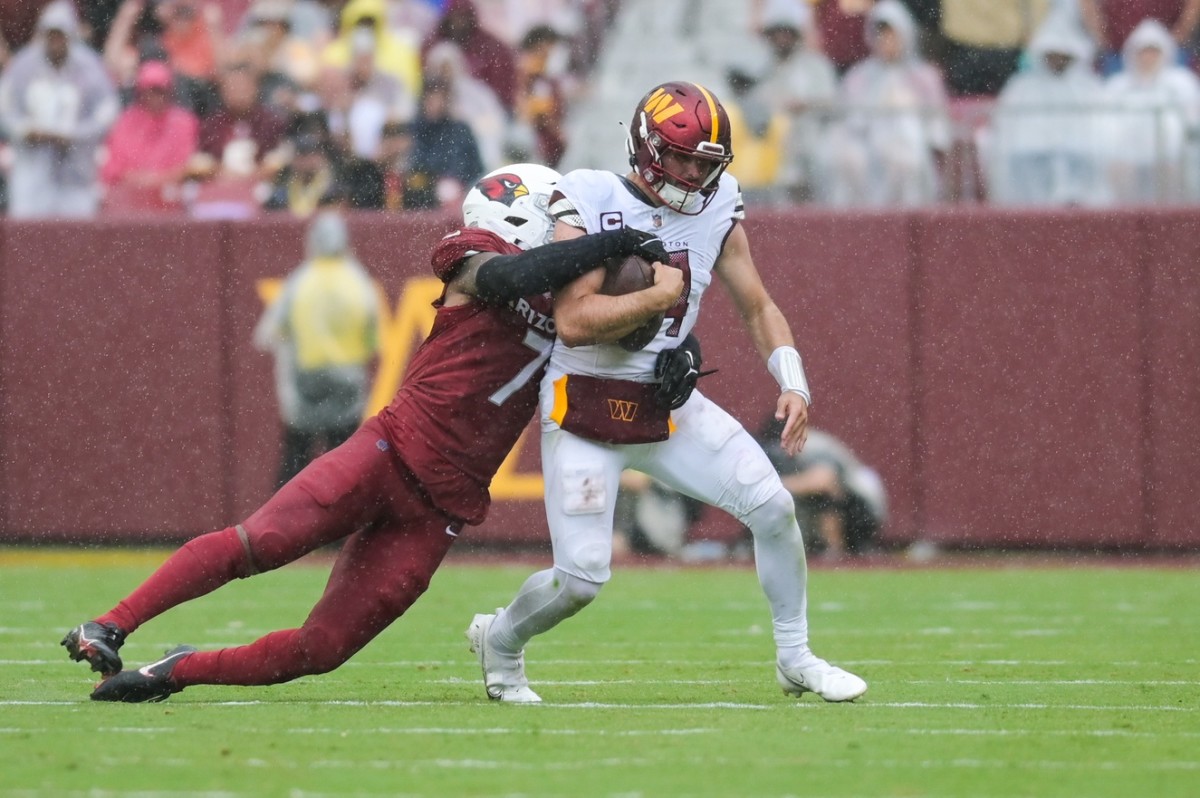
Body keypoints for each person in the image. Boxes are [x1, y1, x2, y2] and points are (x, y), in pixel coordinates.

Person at [61, 162, 696, 702]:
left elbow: (626, 337)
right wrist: (614, 244)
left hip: (444, 506)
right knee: (263, 543)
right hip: (389, 452)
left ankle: (179, 669)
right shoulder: (472, 258)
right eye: (562, 219)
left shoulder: (572, 298)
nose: (573, 228)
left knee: (323, 649)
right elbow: (511, 280)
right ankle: (112, 622)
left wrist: (679, 351)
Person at [466, 81, 868, 705]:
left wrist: (793, 381)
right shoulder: (591, 196)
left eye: (708, 162)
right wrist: (656, 297)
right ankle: (502, 642)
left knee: (774, 509)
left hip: (666, 403)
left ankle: (795, 657)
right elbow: (574, 319)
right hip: (586, 407)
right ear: (647, 147)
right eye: (683, 157)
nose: (694, 172)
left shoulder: (720, 202)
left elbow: (757, 305)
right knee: (580, 580)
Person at [253, 208, 383, 489]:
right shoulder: (359, 282)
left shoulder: (300, 281)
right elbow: (373, 342)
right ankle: (343, 527)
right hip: (347, 385)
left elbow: (267, 334)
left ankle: (282, 524)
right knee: (346, 465)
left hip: (306, 383)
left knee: (295, 460)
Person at [825, 0, 949, 207]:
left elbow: (937, 129)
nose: (887, 41)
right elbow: (849, 121)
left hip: (910, 148)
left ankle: (909, 227)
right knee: (845, 158)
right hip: (866, 145)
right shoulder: (859, 76)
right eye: (882, 35)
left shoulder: (924, 77)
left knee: (905, 162)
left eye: (892, 35)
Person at [0, 1, 118, 219]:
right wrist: (26, 130)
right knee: (30, 237)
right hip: (32, 168)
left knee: (74, 240)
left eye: (60, 35)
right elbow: (6, 107)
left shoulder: (90, 68)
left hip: (76, 170)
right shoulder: (24, 66)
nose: (55, 42)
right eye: (51, 35)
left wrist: (75, 135)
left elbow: (106, 111)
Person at [985, 18, 1107, 206]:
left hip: (1078, 163)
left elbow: (1101, 131)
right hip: (1031, 164)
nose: (1057, 60)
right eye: (1052, 55)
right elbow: (1005, 128)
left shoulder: (1088, 87)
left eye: (1062, 55)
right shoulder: (1021, 86)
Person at [1101, 19, 1200, 204]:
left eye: (1154, 51)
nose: (1148, 58)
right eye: (1143, 52)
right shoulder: (1117, 86)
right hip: (1127, 157)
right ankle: (1126, 221)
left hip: (1172, 157)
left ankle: (1172, 221)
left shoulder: (1181, 83)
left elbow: (1192, 120)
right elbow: (1104, 125)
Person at [757, 420, 887, 559]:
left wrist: (777, 485)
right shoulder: (796, 449)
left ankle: (836, 552)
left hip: (862, 505)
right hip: (845, 498)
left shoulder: (812, 445)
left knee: (820, 498)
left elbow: (824, 481)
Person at [100, 60, 200, 200]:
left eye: (160, 91)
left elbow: (187, 166)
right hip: (130, 198)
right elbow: (113, 167)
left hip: (171, 198)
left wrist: (156, 181)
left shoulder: (184, 122)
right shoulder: (125, 122)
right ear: (140, 92)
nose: (155, 97)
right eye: (150, 91)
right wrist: (141, 182)